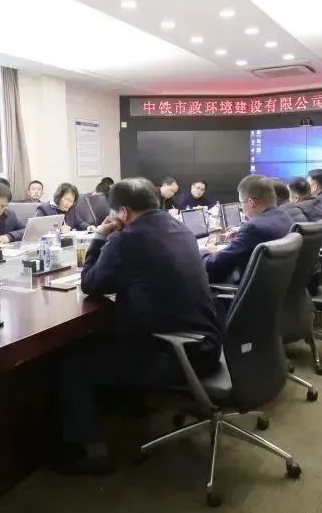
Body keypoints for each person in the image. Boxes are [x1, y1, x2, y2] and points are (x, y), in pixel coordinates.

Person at [56, 178, 221, 474]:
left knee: (73, 362)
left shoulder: (126, 240)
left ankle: (89, 452)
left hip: (176, 356)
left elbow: (91, 283)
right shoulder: (181, 228)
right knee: (112, 332)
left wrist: (100, 236)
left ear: (121, 213)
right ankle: (132, 408)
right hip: (206, 343)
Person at [202, 175, 294, 284]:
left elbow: (213, 265)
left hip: (248, 289)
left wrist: (203, 251)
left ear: (251, 203)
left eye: (241, 203)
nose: (242, 208)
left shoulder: (253, 228)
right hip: (278, 285)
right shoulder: (285, 217)